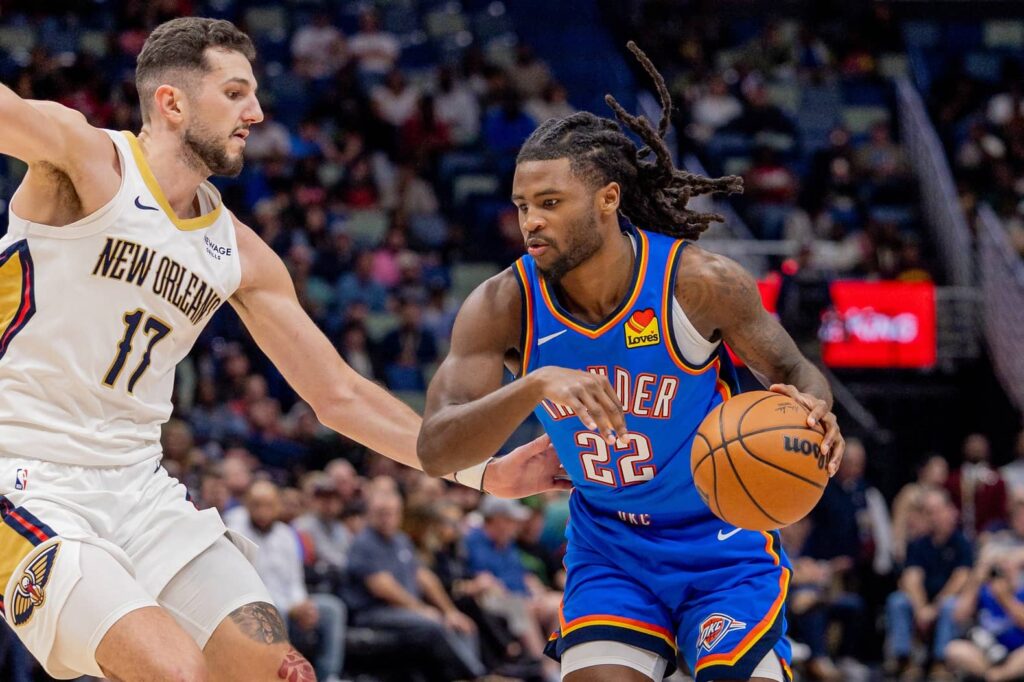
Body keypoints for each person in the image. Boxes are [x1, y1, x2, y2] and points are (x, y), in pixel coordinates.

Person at [0, 17, 568, 681]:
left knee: (283, 673)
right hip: (26, 474)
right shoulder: (85, 158)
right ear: (172, 102)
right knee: (177, 673)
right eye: (236, 93)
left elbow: (340, 394)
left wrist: (481, 471)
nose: (257, 112)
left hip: (141, 491)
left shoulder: (237, 249)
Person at [418, 42, 845, 682]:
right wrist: (533, 385)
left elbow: (794, 372)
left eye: (550, 203)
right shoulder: (503, 305)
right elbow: (436, 449)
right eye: (522, 205)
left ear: (608, 198)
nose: (531, 222)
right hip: (611, 550)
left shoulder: (696, 283)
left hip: (722, 541)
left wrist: (814, 410)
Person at [345, 488, 486, 681]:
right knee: (433, 624)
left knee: (462, 624)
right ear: (370, 514)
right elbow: (383, 587)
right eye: (381, 513)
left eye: (392, 513)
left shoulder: (401, 540)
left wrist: (449, 611)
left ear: (400, 514)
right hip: (374, 612)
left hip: (406, 611)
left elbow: (424, 577)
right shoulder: (364, 543)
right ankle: (475, 676)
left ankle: (469, 674)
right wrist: (420, 609)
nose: (387, 518)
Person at [225, 480, 346, 682]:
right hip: (252, 606)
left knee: (333, 609)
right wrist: (290, 608)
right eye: (257, 505)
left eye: (269, 505)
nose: (263, 511)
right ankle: (276, 676)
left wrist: (302, 604)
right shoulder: (236, 531)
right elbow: (247, 585)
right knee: (275, 613)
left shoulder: (286, 534)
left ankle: (329, 675)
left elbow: (295, 581)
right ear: (247, 505)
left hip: (290, 605)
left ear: (277, 506)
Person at [885, 488, 971, 681]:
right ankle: (904, 659)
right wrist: (921, 608)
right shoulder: (919, 544)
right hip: (924, 601)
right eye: (928, 512)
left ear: (950, 510)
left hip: (948, 600)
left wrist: (934, 608)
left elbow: (960, 579)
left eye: (937, 511)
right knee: (898, 600)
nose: (933, 517)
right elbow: (911, 577)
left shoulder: (961, 542)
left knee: (950, 606)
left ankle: (941, 663)